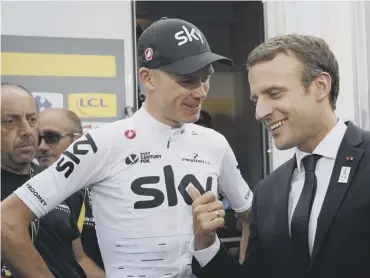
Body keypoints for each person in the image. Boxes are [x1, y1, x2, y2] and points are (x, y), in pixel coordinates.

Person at [0, 17, 253, 278]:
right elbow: (7, 221)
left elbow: (251, 220)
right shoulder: (103, 142)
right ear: (147, 78)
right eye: (188, 80)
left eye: (206, 78)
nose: (201, 91)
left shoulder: (214, 143)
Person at [189, 34, 370, 278]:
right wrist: (206, 244)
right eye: (256, 99)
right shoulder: (267, 192)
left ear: (320, 86)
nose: (260, 112)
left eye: (274, 94)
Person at [0, 84, 103, 278]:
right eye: (10, 121)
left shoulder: (55, 179)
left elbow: (79, 259)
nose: (26, 130)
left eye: (32, 119)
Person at [37, 107, 105, 270]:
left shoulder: (105, 188)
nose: (41, 147)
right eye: (37, 138)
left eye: (51, 137)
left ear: (78, 141)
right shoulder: (26, 194)